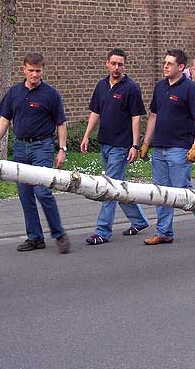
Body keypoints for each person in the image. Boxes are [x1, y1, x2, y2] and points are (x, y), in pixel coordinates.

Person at [0, 52, 70, 254]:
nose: (34, 74)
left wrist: (62, 149)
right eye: (31, 70)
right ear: (24, 69)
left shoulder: (51, 94)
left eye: (38, 71)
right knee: (25, 194)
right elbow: (4, 119)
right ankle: (35, 237)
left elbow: (61, 123)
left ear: (43, 71)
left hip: (42, 147)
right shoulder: (14, 93)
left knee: (42, 191)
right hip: (20, 148)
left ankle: (59, 234)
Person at [139, 49, 195, 245]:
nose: (165, 66)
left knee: (182, 190)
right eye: (165, 62)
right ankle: (164, 232)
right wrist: (146, 142)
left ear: (180, 67)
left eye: (170, 63)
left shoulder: (189, 88)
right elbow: (154, 116)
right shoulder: (159, 87)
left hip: (180, 148)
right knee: (161, 191)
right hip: (160, 147)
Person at [80, 49, 150, 244]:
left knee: (109, 187)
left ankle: (102, 231)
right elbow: (95, 112)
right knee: (118, 185)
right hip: (105, 142)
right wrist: (86, 136)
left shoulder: (131, 88)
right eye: (113, 63)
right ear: (107, 64)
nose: (116, 67)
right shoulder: (101, 86)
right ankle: (139, 220)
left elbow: (136, 118)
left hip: (121, 145)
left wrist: (135, 145)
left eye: (120, 64)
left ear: (124, 65)